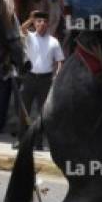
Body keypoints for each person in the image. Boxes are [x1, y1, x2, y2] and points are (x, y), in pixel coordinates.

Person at [16, 11, 64, 150]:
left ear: (47, 24)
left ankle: (38, 143)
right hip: (29, 77)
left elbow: (60, 60)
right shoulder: (29, 37)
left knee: (42, 113)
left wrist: (58, 74)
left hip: (45, 80)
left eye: (44, 22)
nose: (41, 24)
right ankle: (21, 140)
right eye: (38, 22)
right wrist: (31, 19)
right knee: (24, 110)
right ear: (35, 24)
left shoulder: (53, 41)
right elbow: (21, 29)